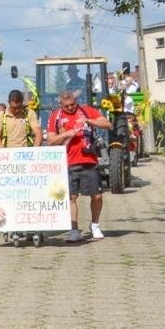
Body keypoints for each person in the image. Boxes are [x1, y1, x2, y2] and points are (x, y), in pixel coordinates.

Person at [45, 89, 112, 242]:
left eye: (73, 104)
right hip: (68, 161)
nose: (70, 108)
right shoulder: (56, 116)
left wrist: (89, 121)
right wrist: (67, 134)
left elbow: (107, 124)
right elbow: (50, 140)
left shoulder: (86, 110)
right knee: (71, 197)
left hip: (89, 159)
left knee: (97, 196)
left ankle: (95, 225)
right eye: (66, 106)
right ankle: (74, 230)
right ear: (60, 105)